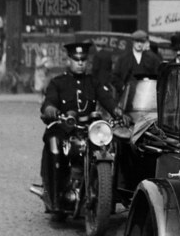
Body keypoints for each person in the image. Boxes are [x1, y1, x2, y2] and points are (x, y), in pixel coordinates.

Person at [40, 42, 124, 204]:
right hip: (65, 128)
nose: (80, 63)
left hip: (89, 129)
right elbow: (49, 102)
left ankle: (108, 196)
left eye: (83, 60)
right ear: (68, 61)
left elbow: (106, 99)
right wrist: (52, 110)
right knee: (55, 145)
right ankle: (56, 197)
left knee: (113, 145)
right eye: (76, 59)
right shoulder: (58, 82)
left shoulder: (93, 82)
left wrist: (117, 111)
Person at [112, 30, 163, 97]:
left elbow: (159, 75)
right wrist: (122, 87)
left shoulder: (152, 58)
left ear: (145, 42)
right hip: (127, 96)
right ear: (132, 42)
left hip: (146, 96)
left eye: (142, 42)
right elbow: (115, 76)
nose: (139, 44)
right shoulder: (123, 59)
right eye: (137, 41)